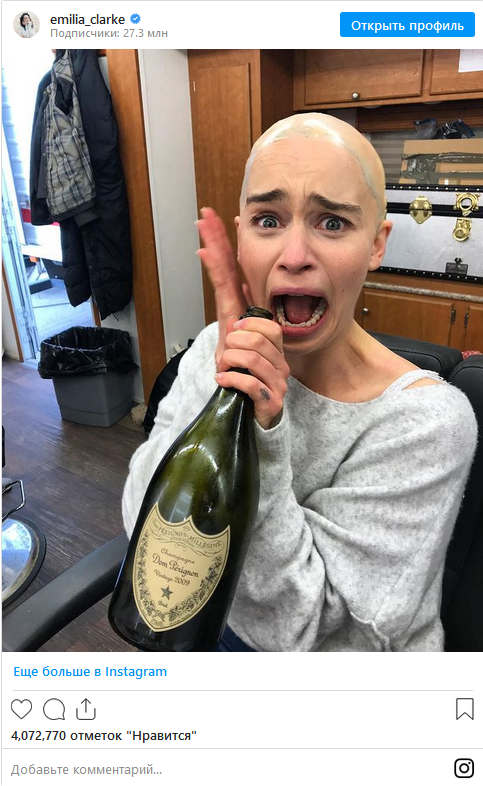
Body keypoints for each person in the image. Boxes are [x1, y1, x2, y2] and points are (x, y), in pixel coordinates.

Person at [122, 113, 477, 651]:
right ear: (240, 238)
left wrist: (258, 429)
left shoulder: (426, 424)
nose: (293, 258)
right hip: (205, 627)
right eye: (268, 220)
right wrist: (223, 386)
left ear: (377, 244)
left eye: (332, 223)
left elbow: (301, 631)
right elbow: (140, 519)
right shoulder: (214, 349)